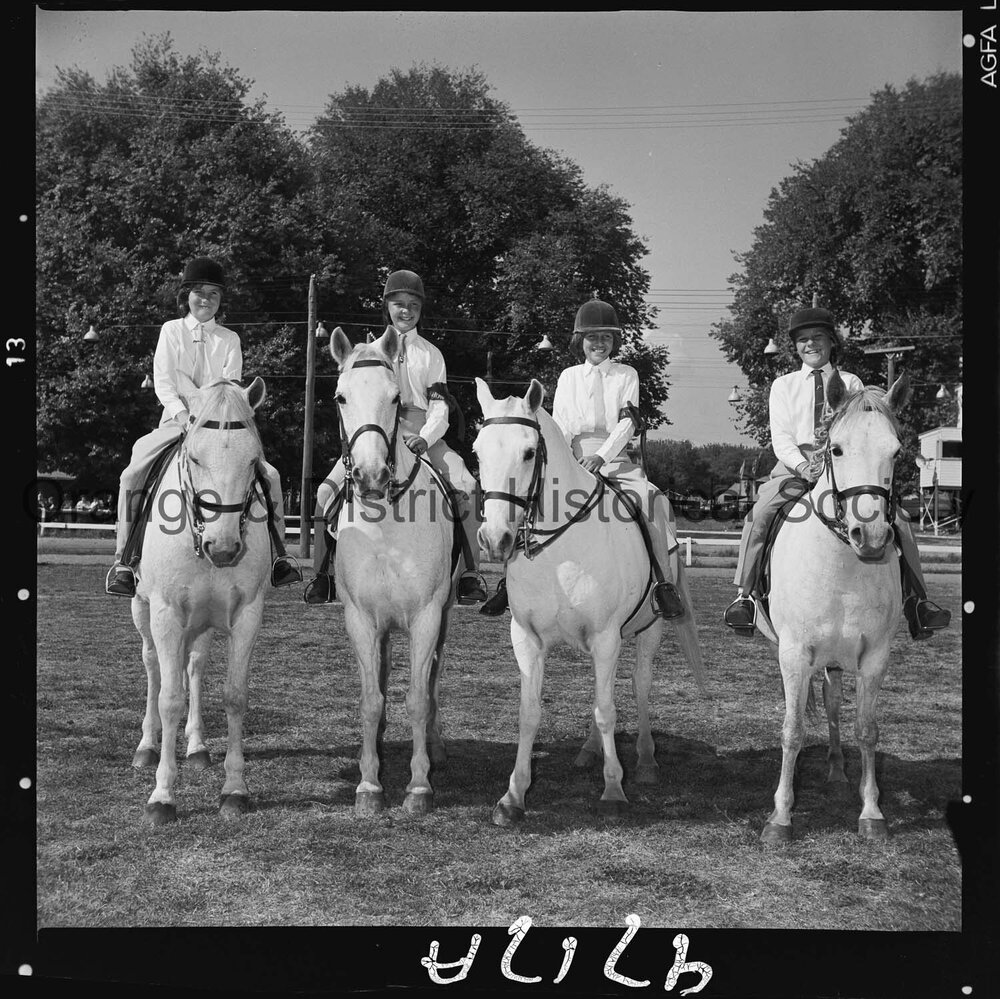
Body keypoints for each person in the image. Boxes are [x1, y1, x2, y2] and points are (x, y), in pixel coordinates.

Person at [723, 306, 951, 640]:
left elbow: (863, 433)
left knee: (899, 521)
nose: (810, 344)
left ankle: (918, 602)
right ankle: (746, 597)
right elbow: (781, 439)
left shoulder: (852, 382)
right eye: (803, 340)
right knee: (760, 514)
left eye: (817, 338)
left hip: (844, 471)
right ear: (796, 346)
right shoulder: (782, 386)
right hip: (792, 468)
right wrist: (804, 466)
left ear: (831, 342)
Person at [105, 256, 302, 596]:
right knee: (131, 474)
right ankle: (125, 558)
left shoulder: (230, 339)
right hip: (175, 420)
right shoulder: (171, 331)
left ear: (221, 299)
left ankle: (280, 556)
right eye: (199, 292)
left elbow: (232, 389)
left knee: (269, 476)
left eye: (213, 293)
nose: (206, 299)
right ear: (187, 296)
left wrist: (209, 420)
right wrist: (184, 417)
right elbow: (164, 382)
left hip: (220, 428)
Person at [479, 298, 685, 620]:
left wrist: (601, 457)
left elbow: (628, 422)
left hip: (614, 458)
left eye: (605, 337)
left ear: (614, 341)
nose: (599, 343)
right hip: (572, 457)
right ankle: (510, 582)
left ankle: (663, 584)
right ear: (581, 342)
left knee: (651, 500)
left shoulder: (626, 374)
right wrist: (568, 461)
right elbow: (560, 425)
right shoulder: (568, 377)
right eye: (592, 337)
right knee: (529, 503)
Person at [303, 269, 488, 605]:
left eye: (413, 304)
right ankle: (322, 576)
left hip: (422, 432)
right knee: (325, 490)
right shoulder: (365, 352)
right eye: (399, 303)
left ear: (421, 309)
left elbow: (440, 408)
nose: (406, 310)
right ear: (387, 306)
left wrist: (426, 439)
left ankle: (469, 575)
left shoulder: (431, 354)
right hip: (376, 432)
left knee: (468, 485)